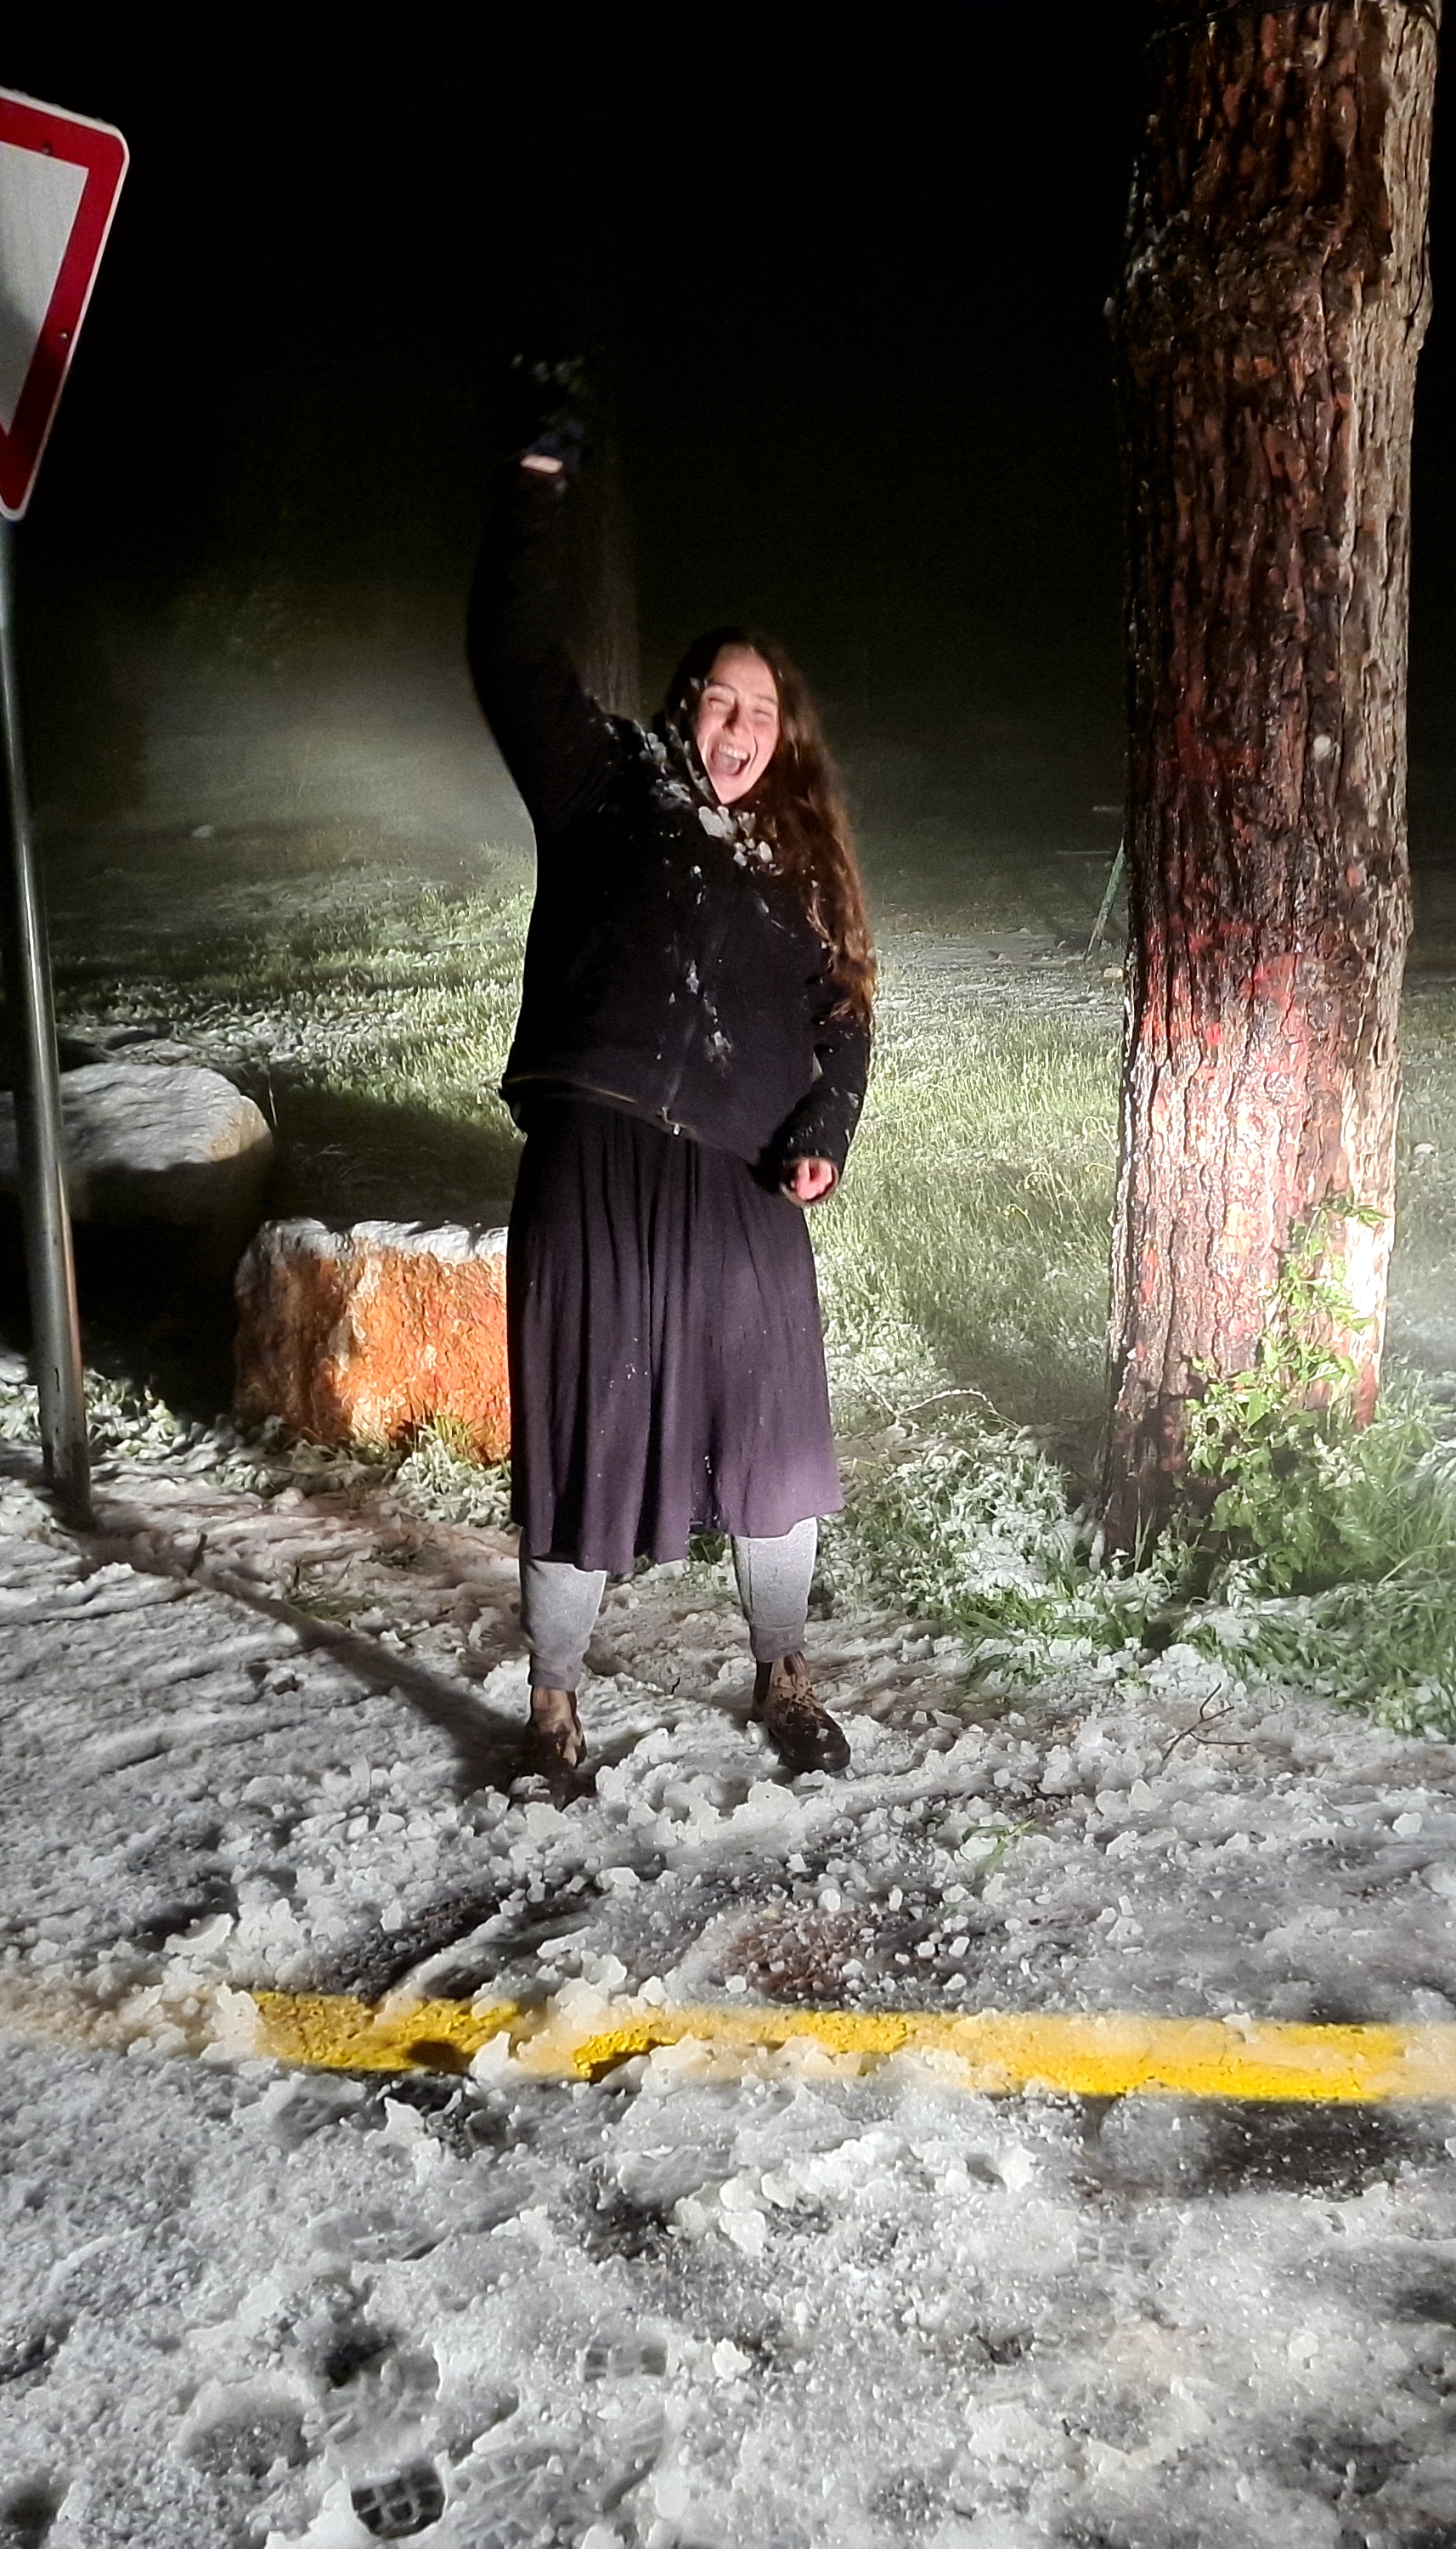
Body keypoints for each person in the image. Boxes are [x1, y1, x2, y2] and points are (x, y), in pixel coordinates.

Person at [467, 372, 872, 1801]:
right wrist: (536, 481)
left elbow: (844, 1018)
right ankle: (553, 1706)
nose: (738, 727)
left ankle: (784, 1672)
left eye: (763, 711)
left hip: (744, 1184)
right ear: (683, 708)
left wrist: (825, 1124)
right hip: (598, 1158)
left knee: (772, 1439)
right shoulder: (609, 789)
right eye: (719, 699)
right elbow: (510, 651)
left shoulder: (800, 867)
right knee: (585, 1429)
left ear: (786, 734)